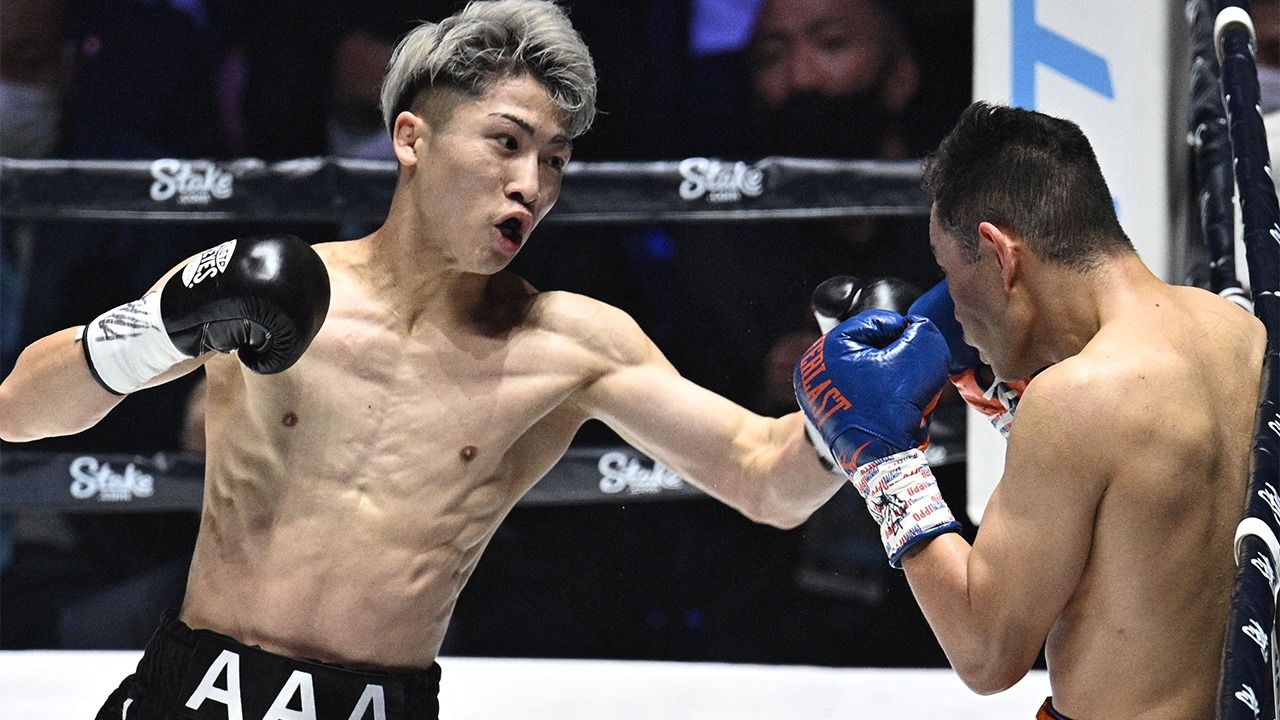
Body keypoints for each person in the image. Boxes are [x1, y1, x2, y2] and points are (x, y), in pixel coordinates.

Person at [0, 2, 848, 717]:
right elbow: (19, 410)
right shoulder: (276, 287)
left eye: (555, 160)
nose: (532, 185)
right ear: (412, 138)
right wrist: (161, 322)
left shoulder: (570, 345)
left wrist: (850, 412)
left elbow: (764, 479)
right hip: (194, 689)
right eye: (507, 143)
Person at [796, 102, 1267, 718]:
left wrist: (884, 464)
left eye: (947, 267)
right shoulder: (1237, 331)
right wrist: (1006, 406)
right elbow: (1145, 523)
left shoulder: (1074, 402)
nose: (952, 306)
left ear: (999, 253)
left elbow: (986, 652)